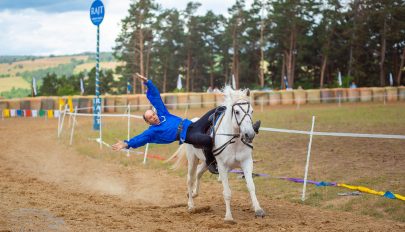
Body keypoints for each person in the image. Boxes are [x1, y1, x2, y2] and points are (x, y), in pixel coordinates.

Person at [112, 73, 261, 174]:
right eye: (150, 118)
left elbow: (155, 97)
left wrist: (147, 82)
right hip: (187, 135)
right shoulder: (152, 132)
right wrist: (126, 143)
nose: (153, 118)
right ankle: (211, 163)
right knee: (207, 140)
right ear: (148, 122)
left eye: (153, 115)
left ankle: (246, 128)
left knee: (218, 109)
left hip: (192, 124)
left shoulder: (162, 114)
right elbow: (140, 139)